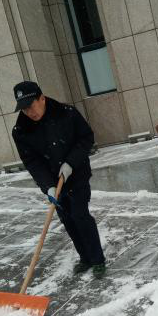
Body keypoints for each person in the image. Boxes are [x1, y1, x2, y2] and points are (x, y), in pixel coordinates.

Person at [12, 81, 106, 278]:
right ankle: (85, 258)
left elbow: (86, 137)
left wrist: (71, 163)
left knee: (80, 215)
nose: (29, 112)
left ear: (42, 99)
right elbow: (32, 161)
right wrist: (48, 186)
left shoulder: (67, 113)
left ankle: (97, 260)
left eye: (31, 106)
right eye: (24, 109)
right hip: (54, 182)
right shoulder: (20, 130)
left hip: (77, 175)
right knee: (68, 220)